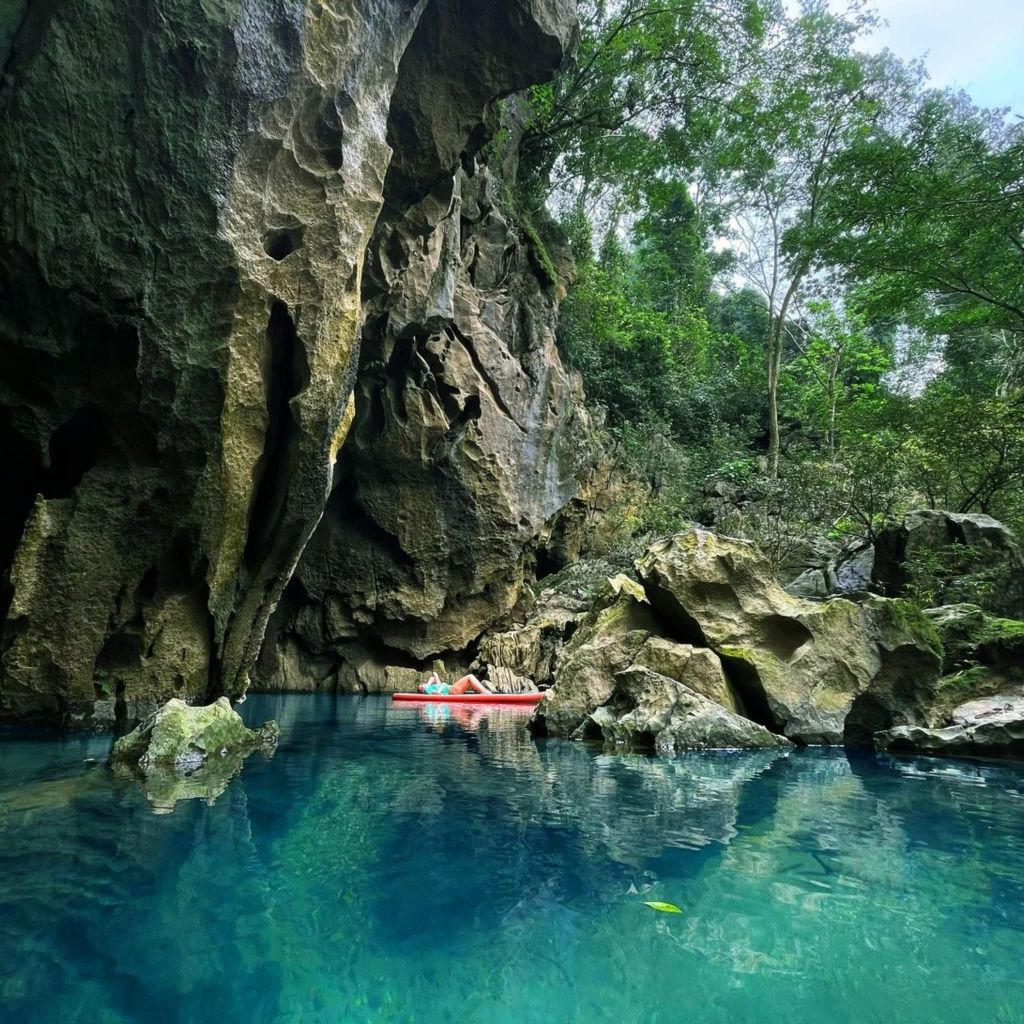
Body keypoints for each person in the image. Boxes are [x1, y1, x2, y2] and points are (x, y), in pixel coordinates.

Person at [417, 671, 489, 695]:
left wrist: (434, 676)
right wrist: (442, 686)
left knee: (471, 683)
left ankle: (481, 692)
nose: (422, 684)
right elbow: (437, 694)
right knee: (470, 677)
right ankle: (485, 692)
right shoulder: (427, 690)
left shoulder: (430, 687)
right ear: (422, 689)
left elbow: (433, 678)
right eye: (421, 685)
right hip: (451, 690)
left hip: (451, 689)